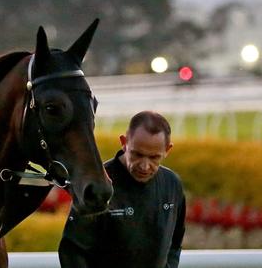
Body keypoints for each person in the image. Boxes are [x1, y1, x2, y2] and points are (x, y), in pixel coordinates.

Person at [58, 111, 186, 268]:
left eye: (154, 157)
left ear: (168, 150)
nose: (145, 166)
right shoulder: (98, 185)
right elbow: (72, 250)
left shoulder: (172, 184)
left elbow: (176, 242)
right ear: (124, 142)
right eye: (137, 154)